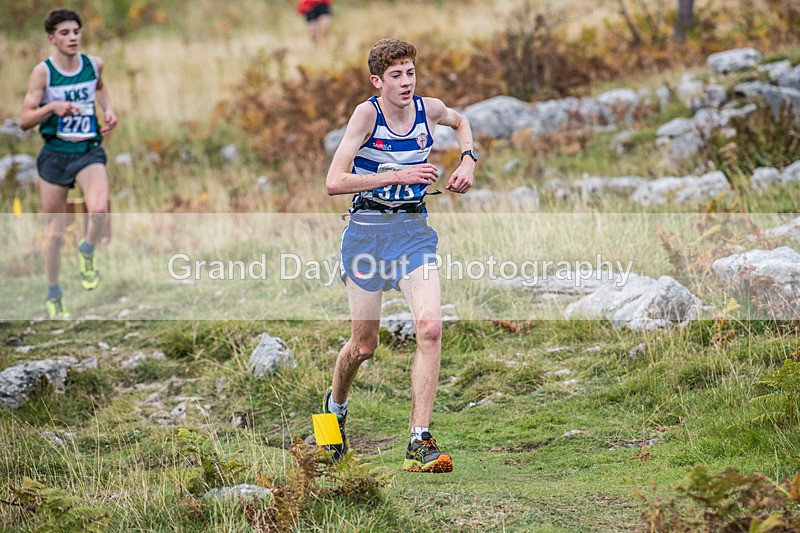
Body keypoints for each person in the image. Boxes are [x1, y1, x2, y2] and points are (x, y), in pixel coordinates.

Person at [324, 38, 477, 473]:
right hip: (367, 233)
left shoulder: (429, 110)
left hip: (412, 232)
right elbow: (334, 182)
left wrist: (468, 161)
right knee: (364, 345)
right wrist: (399, 173)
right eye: (396, 75)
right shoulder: (366, 115)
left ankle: (419, 439)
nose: (406, 82)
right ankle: (332, 413)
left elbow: (461, 121)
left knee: (430, 328)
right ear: (378, 81)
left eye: (410, 72)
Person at [19, 8, 117, 319]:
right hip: (55, 155)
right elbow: (24, 120)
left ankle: (87, 251)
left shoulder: (93, 64)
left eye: (76, 31)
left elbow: (99, 88)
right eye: (64, 33)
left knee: (99, 209)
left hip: (88, 150)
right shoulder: (43, 73)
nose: (72, 37)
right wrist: (52, 107)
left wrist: (109, 110)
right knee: (56, 233)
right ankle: (53, 291)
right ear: (52, 38)